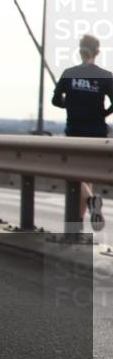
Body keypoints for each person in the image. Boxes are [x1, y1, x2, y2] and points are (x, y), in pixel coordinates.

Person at [52, 34, 112, 231]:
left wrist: (68, 103)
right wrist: (102, 113)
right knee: (86, 177)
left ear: (80, 50)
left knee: (75, 176)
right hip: (97, 134)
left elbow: (55, 101)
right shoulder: (105, 76)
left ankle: (87, 206)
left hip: (75, 133)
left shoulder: (69, 73)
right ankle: (77, 226)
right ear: (97, 52)